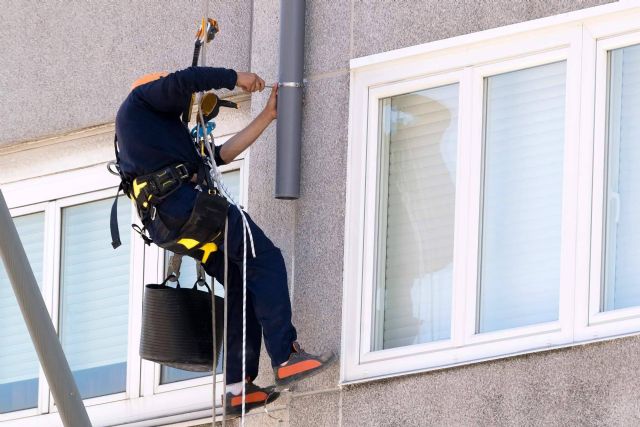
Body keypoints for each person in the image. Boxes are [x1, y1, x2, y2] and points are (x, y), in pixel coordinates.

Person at [114, 67, 334, 415]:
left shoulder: (159, 137)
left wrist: (267, 115)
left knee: (242, 286)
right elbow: (184, 80)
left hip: (174, 222)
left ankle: (237, 388)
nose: (179, 99)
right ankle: (287, 356)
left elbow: (218, 157)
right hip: (187, 208)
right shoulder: (138, 102)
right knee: (265, 258)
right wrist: (236, 77)